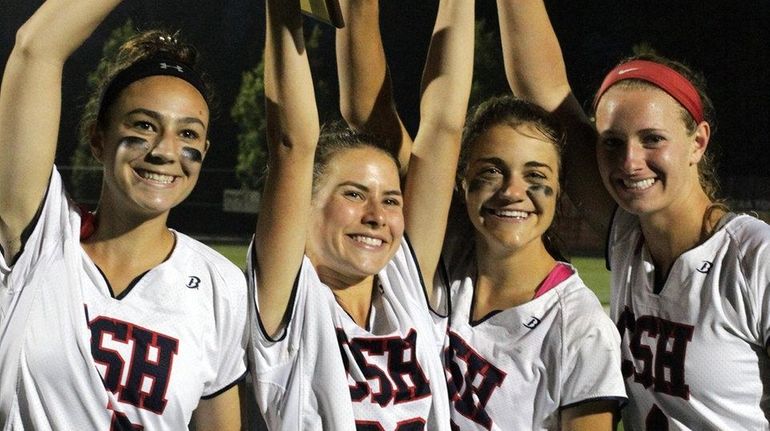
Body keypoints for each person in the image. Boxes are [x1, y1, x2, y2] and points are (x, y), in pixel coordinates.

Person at [337, 1, 627, 429]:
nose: (513, 192)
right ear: (461, 180)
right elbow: (373, 116)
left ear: (561, 188)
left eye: (536, 175)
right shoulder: (440, 255)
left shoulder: (580, 329)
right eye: (491, 170)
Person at [498, 1, 770, 430]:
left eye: (653, 139)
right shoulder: (628, 235)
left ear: (697, 142)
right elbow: (542, 92)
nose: (630, 161)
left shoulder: (754, 257)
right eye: (611, 142)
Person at [0, 1, 247, 429]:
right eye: (144, 125)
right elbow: (35, 48)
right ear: (98, 139)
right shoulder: (40, 239)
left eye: (187, 133)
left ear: (203, 154)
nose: (165, 151)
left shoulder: (220, 286)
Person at [246, 0, 473, 428]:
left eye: (391, 200)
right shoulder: (290, 298)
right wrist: (282, 12)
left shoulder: (404, 281)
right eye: (354, 194)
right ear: (305, 204)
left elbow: (443, 127)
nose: (376, 216)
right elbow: (292, 146)